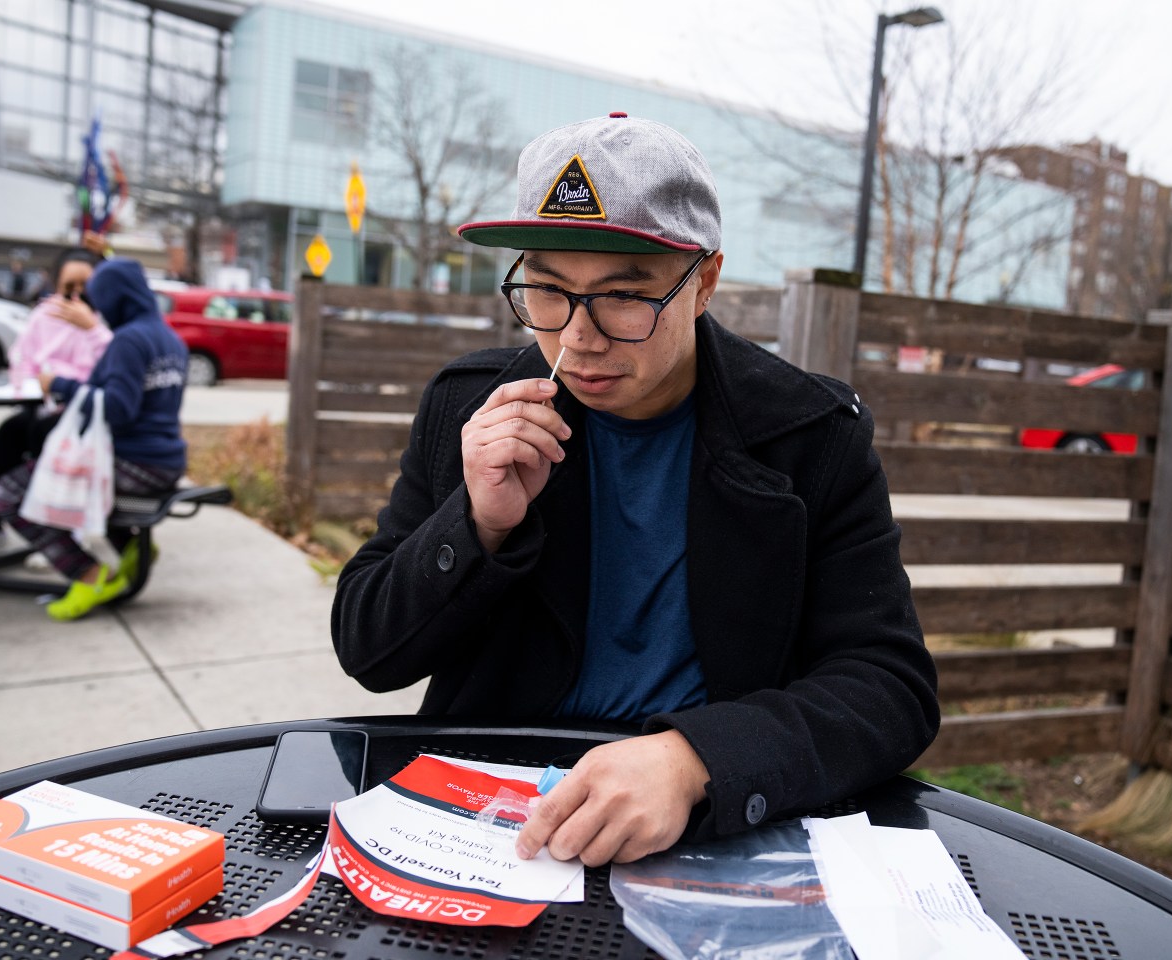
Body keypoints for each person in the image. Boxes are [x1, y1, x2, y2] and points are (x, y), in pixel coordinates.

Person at [330, 114, 938, 866]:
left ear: (704, 283)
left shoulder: (808, 435)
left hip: (710, 823)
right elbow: (369, 651)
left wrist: (698, 760)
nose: (579, 338)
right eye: (548, 291)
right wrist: (477, 526)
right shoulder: (472, 407)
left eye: (623, 295)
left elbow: (889, 686)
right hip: (495, 817)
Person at [0, 258, 189, 621]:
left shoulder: (129, 340)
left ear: (116, 298)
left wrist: (59, 386)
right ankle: (127, 548)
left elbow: (116, 409)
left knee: (9, 494)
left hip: (132, 462)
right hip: (166, 460)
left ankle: (88, 573)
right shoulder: (168, 337)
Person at [0, 248, 112, 553]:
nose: (77, 294)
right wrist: (28, 387)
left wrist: (92, 328)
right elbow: (21, 359)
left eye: (85, 285)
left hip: (85, 409)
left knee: (45, 436)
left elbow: (110, 369)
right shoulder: (43, 315)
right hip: (39, 402)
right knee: (9, 434)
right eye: (70, 285)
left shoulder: (105, 321)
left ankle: (55, 537)